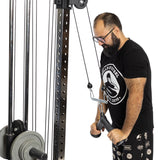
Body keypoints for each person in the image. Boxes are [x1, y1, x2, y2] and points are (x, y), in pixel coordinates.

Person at [90, 12, 154, 160]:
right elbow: (104, 87)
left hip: (136, 132)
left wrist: (125, 132)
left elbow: (137, 96)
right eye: (97, 39)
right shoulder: (107, 53)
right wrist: (98, 118)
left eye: (102, 38)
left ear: (116, 31)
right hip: (117, 130)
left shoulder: (133, 54)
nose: (100, 43)